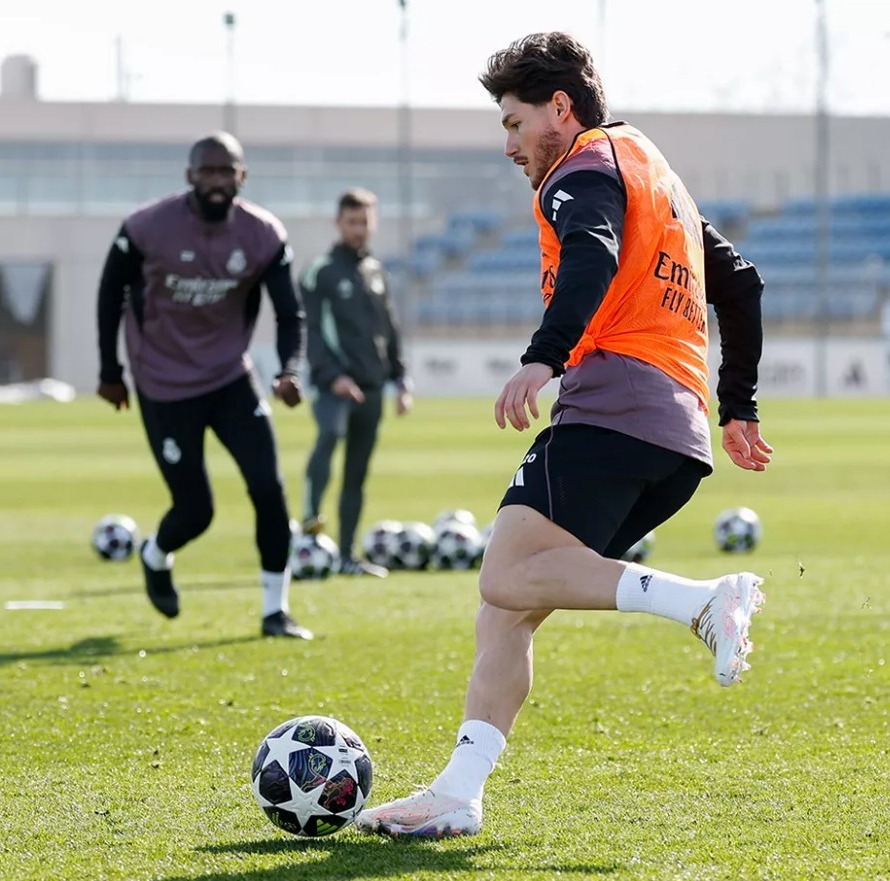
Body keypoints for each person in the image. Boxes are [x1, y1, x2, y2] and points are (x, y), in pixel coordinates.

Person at [356, 32, 773, 838]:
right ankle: (459, 790)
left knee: (505, 572)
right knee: (510, 606)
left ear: (560, 107)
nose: (510, 146)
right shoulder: (654, 175)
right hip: (674, 432)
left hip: (614, 403)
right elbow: (742, 285)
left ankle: (703, 602)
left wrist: (543, 358)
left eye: (515, 124)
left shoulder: (582, 167)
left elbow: (590, 251)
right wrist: (737, 405)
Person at [95, 132, 314, 640]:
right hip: (163, 383)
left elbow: (290, 313)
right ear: (190, 175)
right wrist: (110, 372)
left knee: (269, 489)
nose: (217, 181)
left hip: (230, 378)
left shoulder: (263, 234)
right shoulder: (146, 227)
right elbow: (110, 293)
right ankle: (155, 554)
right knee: (196, 512)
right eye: (207, 171)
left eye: (226, 171)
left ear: (242, 177)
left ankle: (275, 610)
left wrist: (289, 370)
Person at [298, 188, 413, 577]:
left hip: (372, 386)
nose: (359, 229)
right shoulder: (320, 272)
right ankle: (310, 520)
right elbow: (312, 331)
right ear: (339, 223)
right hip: (334, 386)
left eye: (365, 221)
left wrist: (401, 378)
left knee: (357, 472)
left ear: (373, 223)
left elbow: (389, 328)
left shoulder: (376, 271)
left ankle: (347, 556)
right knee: (329, 436)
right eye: (352, 221)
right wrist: (333, 377)